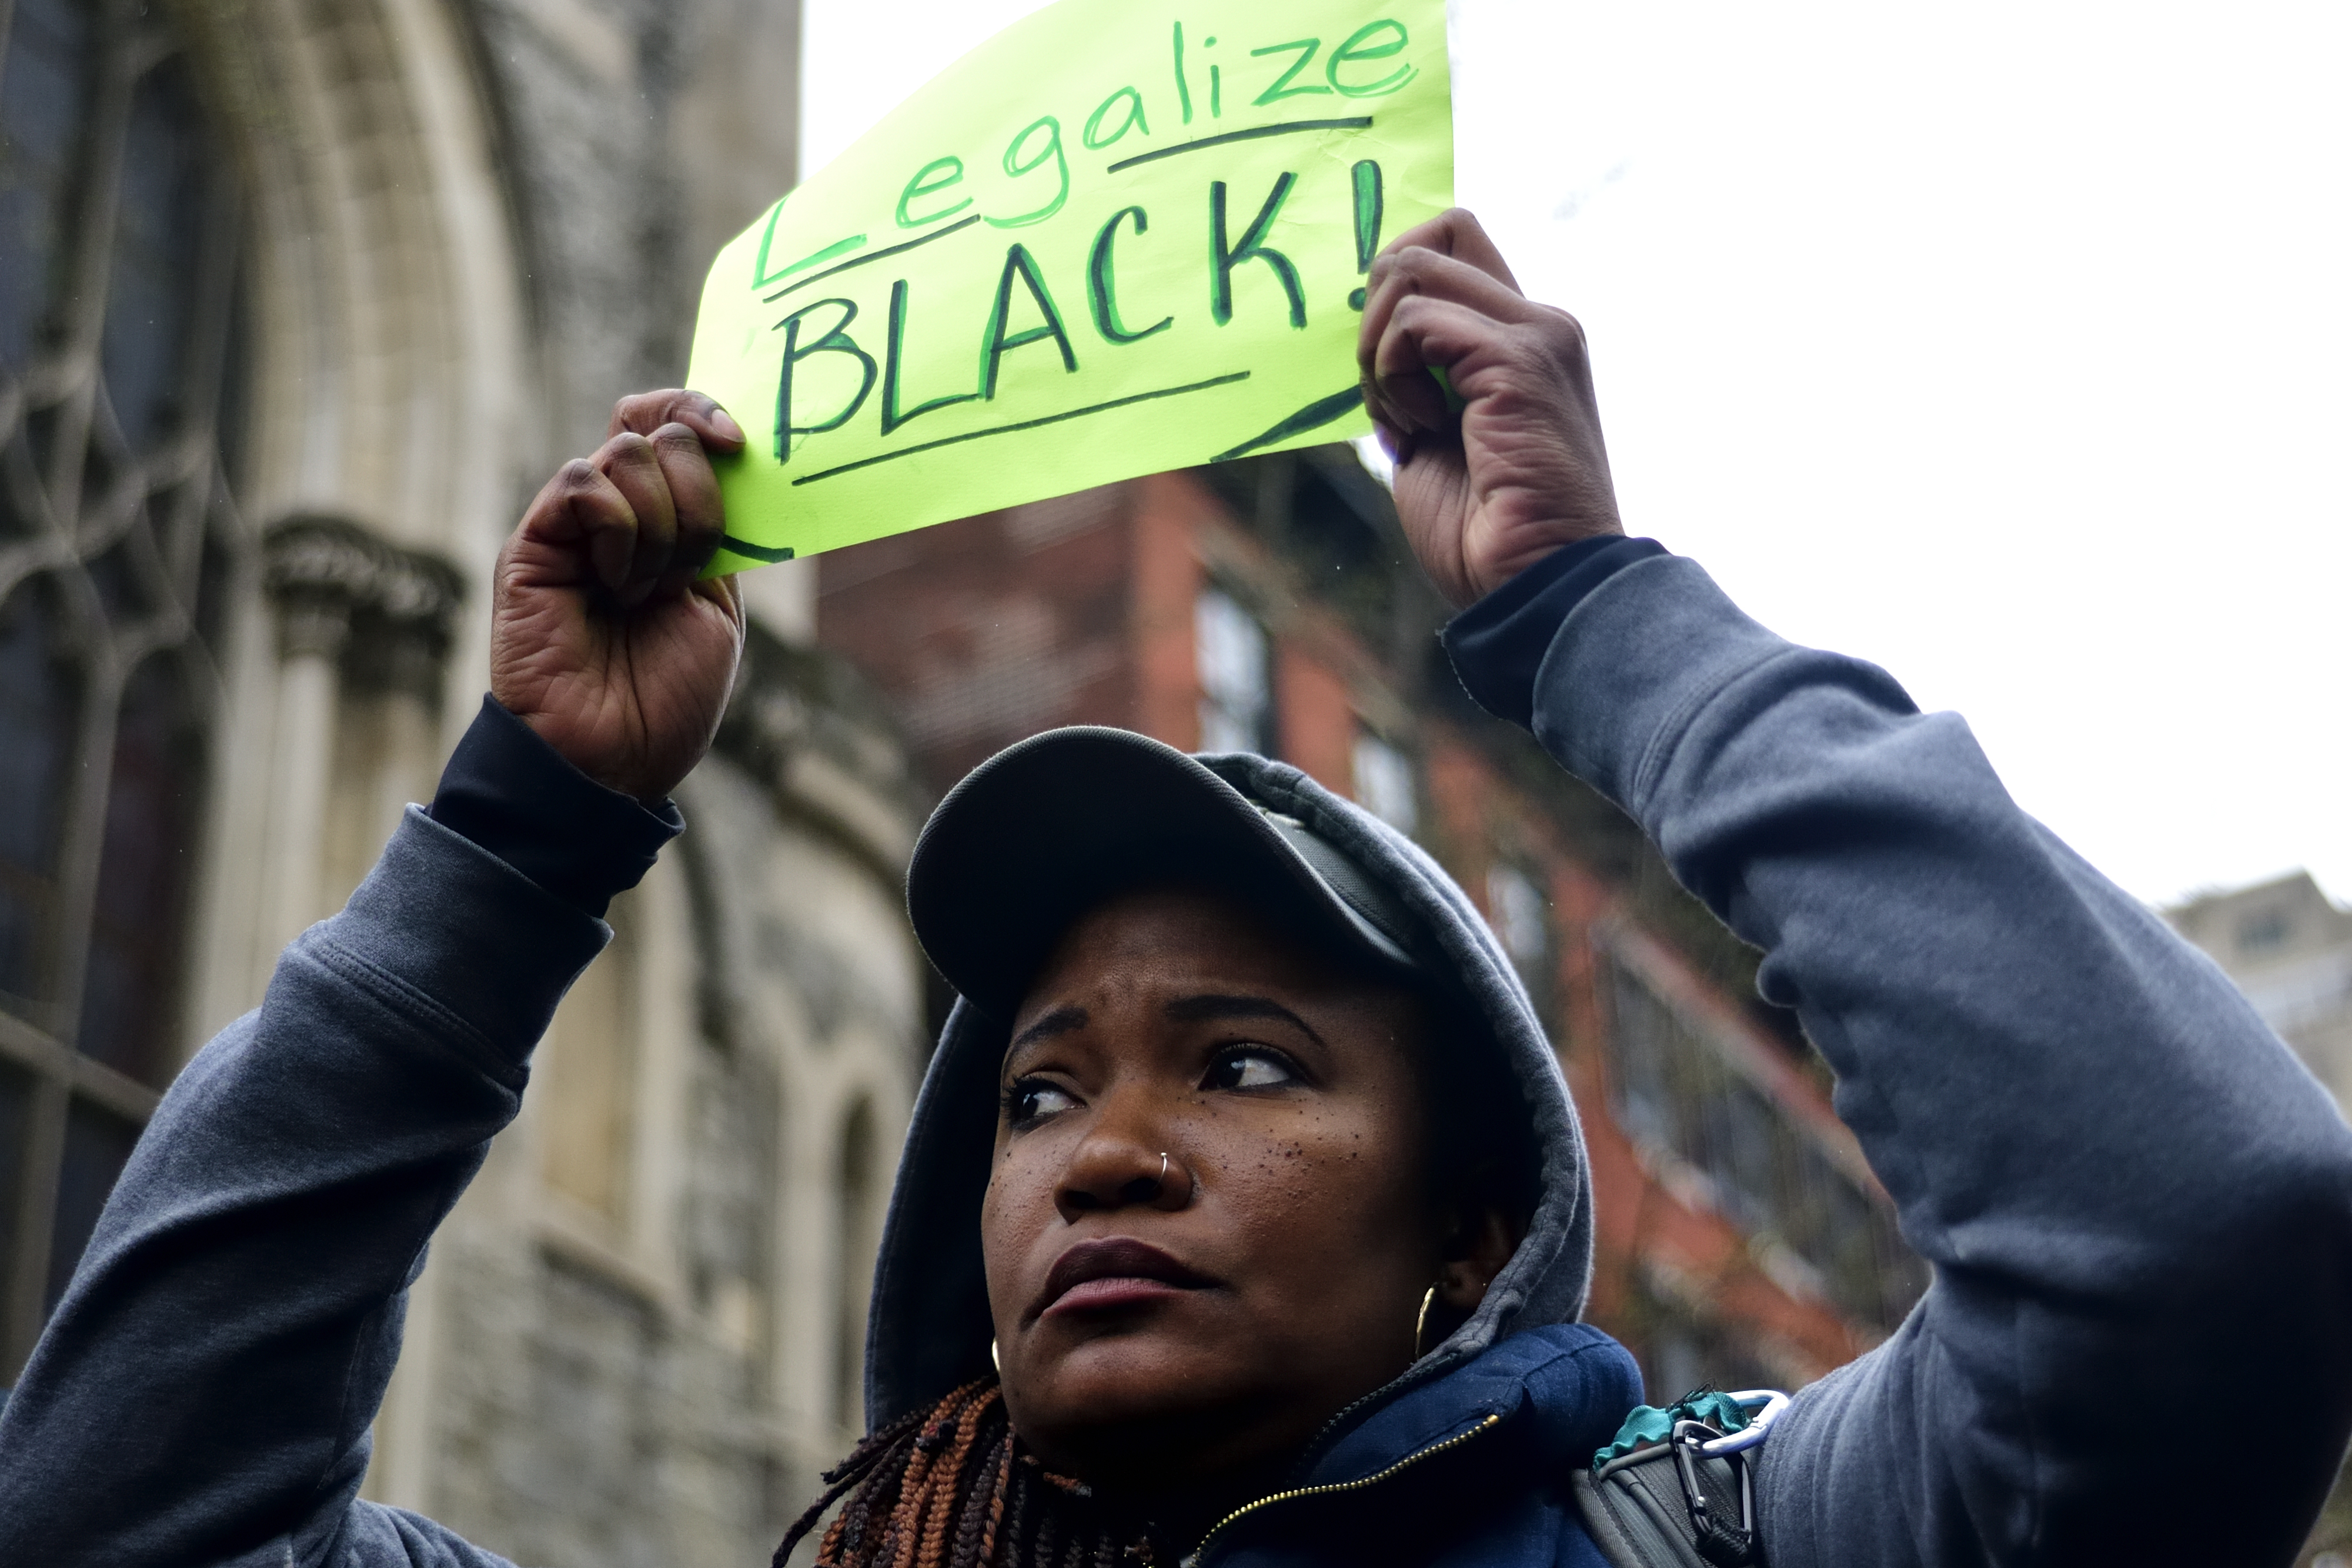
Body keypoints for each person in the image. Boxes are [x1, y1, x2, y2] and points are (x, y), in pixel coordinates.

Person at [0, 209, 2347, 1568]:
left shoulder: (1735, 1536)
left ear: (1462, 1225)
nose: (1105, 1149)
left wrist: (1595, 618)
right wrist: (518, 837)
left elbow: (2197, 1234)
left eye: (1244, 1065)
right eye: (1034, 1094)